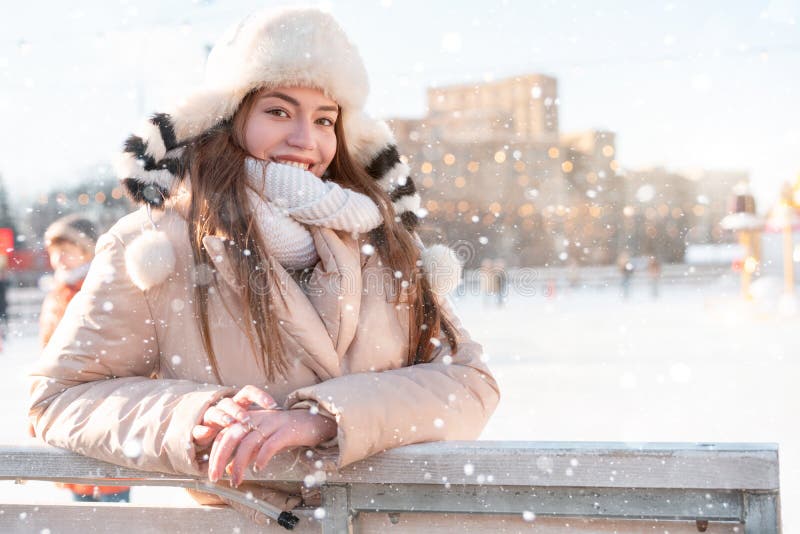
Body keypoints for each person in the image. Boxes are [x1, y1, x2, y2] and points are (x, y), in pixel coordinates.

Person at [28, 7, 499, 521]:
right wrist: (195, 414)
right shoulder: (155, 244)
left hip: (382, 521)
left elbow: (469, 383)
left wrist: (327, 417)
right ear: (229, 119)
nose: (306, 139)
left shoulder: (382, 240)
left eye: (325, 119)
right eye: (278, 111)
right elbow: (61, 398)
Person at [39, 214, 132, 503]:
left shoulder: (98, 287)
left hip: (98, 394)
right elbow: (47, 350)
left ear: (87, 250)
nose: (60, 260)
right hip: (65, 395)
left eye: (68, 251)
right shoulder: (59, 291)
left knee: (107, 476)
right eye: (55, 253)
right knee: (78, 481)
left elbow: (115, 340)